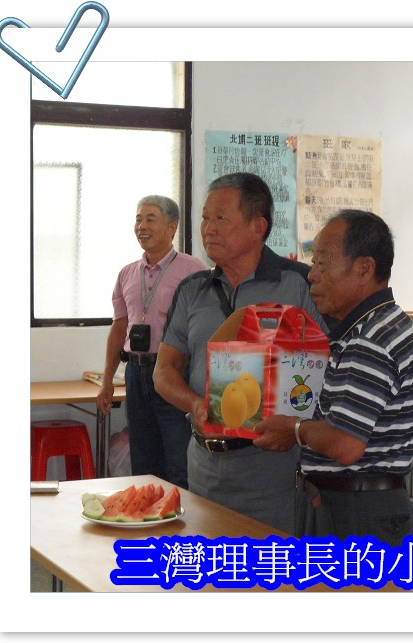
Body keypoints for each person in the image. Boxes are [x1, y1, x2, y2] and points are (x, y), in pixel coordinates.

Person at [253, 209, 413, 544]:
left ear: (364, 268)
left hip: (357, 514)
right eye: (313, 263)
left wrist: (294, 429)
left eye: (323, 263)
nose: (312, 275)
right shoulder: (390, 323)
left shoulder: (368, 339)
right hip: (368, 505)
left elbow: (345, 444)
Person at [153, 172, 327, 533]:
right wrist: (194, 405)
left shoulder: (299, 285)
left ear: (257, 227)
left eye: (221, 218)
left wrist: (300, 431)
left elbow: (331, 368)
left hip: (272, 468)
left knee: (269, 565)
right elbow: (164, 371)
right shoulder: (193, 289)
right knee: (209, 563)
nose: (208, 228)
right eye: (205, 217)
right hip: (204, 465)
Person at [97, 195, 206, 489]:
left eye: (150, 219)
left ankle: (183, 520)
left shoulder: (193, 270)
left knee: (178, 461)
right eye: (138, 219)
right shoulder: (126, 273)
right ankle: (149, 518)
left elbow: (202, 329)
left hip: (173, 372)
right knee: (143, 463)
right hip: (135, 372)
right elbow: (119, 328)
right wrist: (107, 380)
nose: (141, 226)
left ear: (172, 227)